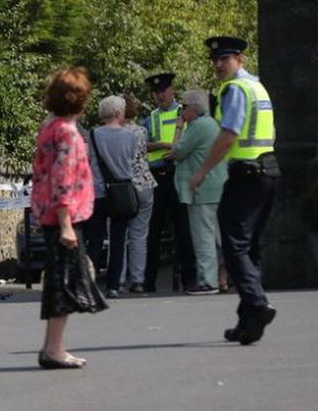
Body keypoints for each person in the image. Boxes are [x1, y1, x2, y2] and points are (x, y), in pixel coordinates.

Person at [189, 36, 278, 345]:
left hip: (246, 174)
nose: (217, 64)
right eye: (215, 60)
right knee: (250, 246)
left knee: (234, 246)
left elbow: (229, 134)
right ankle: (247, 322)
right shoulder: (258, 87)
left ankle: (256, 303)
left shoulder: (237, 90)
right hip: (267, 171)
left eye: (224, 59)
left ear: (239, 59)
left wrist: (201, 171)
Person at [31, 67, 108, 369]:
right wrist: (66, 224)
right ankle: (54, 349)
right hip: (64, 217)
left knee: (59, 282)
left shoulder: (49, 127)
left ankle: (52, 346)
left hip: (51, 214)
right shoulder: (66, 132)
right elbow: (62, 179)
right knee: (64, 284)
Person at [167, 89, 227, 295]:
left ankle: (207, 281)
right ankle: (225, 277)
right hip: (216, 187)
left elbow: (177, 150)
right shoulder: (212, 125)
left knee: (203, 238)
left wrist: (178, 127)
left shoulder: (198, 126)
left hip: (201, 189)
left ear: (193, 108)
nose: (182, 112)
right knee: (221, 237)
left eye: (183, 107)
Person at [143, 73, 196, 292]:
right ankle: (149, 282)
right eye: (156, 92)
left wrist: (165, 146)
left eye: (163, 91)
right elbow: (144, 145)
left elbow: (188, 141)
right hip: (156, 177)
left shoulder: (183, 113)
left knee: (183, 230)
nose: (160, 95)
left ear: (171, 90)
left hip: (177, 174)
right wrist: (164, 145)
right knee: (152, 232)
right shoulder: (151, 117)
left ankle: (189, 279)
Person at [84, 96, 136, 299]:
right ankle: (114, 285)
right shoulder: (129, 136)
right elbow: (130, 159)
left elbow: (90, 160)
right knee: (118, 239)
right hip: (121, 192)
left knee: (95, 239)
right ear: (117, 113)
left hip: (97, 192)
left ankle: (90, 281)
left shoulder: (94, 134)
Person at [121, 94, 157, 293]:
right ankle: (138, 279)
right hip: (145, 183)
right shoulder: (141, 131)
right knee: (139, 235)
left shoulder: (112, 132)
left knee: (119, 234)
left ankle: (117, 277)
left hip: (122, 187)